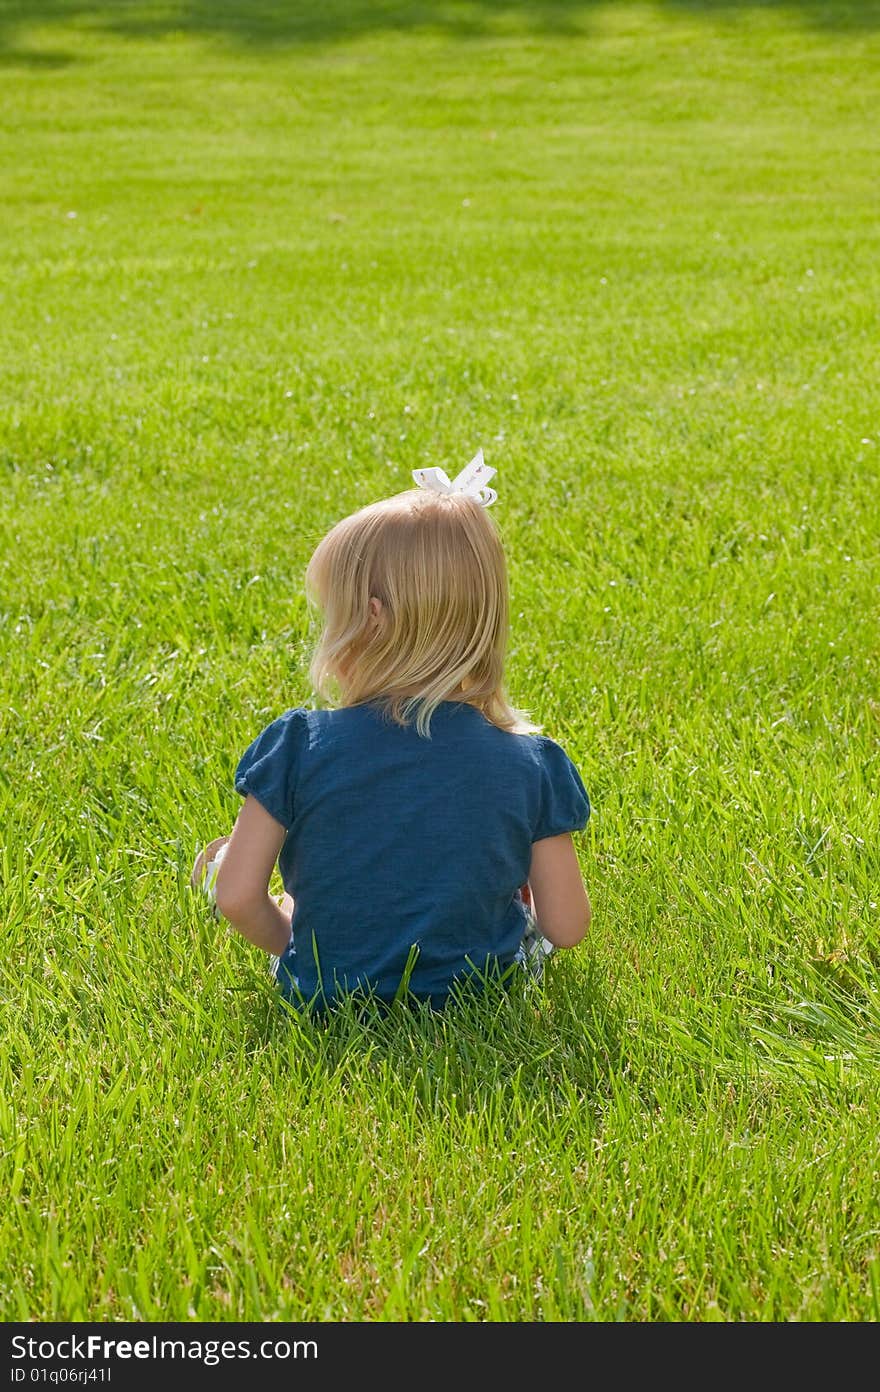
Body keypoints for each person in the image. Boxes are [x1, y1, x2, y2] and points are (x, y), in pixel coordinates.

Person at [191, 450, 591, 1013]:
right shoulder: (531, 763)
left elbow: (237, 899)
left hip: (325, 992)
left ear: (371, 620)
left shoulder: (299, 746)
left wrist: (299, 949)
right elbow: (567, 926)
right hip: (479, 994)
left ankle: (229, 862)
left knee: (242, 875)